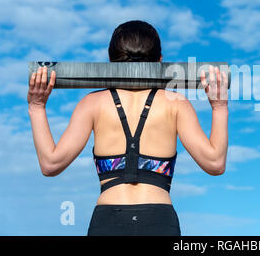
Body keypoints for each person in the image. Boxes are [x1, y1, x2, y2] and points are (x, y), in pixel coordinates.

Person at [27, 20, 229, 236]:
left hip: (108, 222)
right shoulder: (176, 103)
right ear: (160, 61)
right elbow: (215, 163)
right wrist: (219, 107)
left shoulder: (92, 103)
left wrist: (37, 107)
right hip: (159, 221)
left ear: (111, 61)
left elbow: (50, 164)